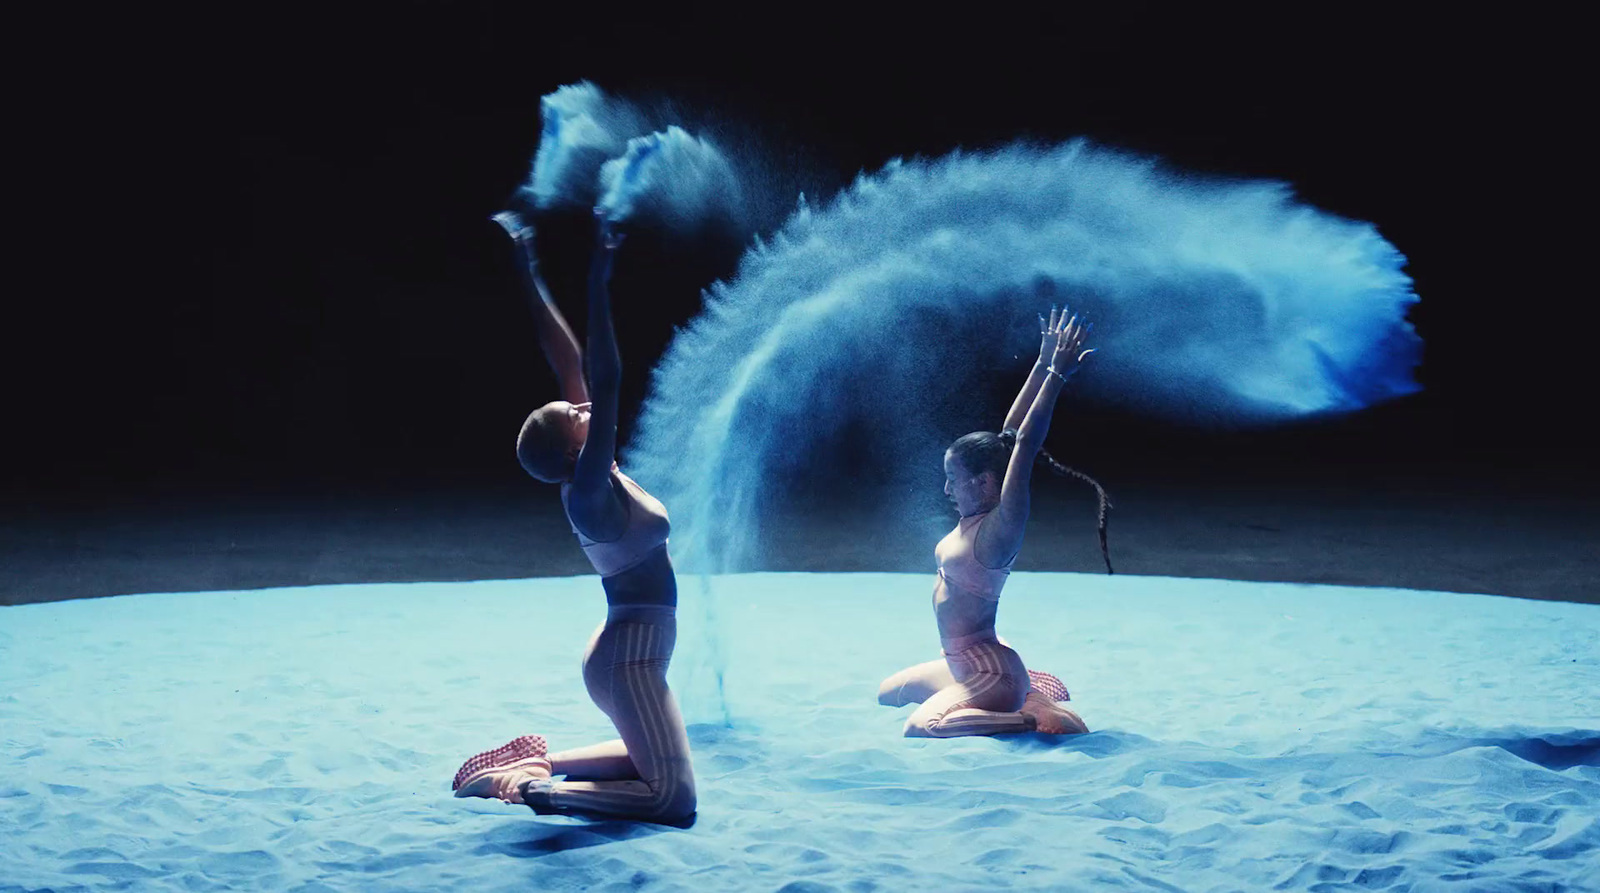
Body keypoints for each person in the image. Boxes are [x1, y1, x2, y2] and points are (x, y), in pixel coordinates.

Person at [451, 209, 695, 824]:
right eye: (576, 413)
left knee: (651, 761)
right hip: (629, 656)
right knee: (672, 799)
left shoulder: (588, 466)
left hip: (632, 648)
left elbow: (566, 358)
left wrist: (528, 266)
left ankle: (539, 764)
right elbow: (608, 381)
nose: (584, 406)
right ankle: (527, 791)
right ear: (569, 448)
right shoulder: (588, 491)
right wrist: (599, 277)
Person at [877, 305, 1111, 737]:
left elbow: (1024, 442)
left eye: (953, 481)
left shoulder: (1001, 527)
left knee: (922, 725)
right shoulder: (973, 515)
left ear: (984, 482)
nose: (947, 491)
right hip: (962, 663)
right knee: (888, 692)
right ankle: (1028, 690)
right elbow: (1009, 433)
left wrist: (1057, 376)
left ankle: (1034, 713)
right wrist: (1042, 362)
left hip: (991, 672)